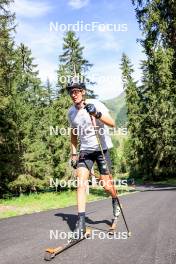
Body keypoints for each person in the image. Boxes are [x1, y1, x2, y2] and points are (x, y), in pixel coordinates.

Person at [67, 80, 120, 239]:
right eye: (71, 92)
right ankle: (81, 223)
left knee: (106, 185)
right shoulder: (71, 112)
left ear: (83, 92)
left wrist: (96, 113)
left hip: (101, 149)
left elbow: (112, 123)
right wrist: (74, 153)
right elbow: (74, 134)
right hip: (85, 151)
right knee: (80, 181)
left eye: (76, 91)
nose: (73, 94)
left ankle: (115, 198)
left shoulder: (95, 103)